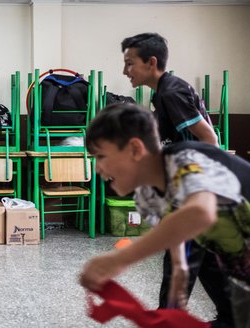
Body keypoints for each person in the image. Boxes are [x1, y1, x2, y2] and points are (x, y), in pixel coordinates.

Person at [79, 103, 250, 328]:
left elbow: (201, 213)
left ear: (135, 149)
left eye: (101, 156)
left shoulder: (185, 160)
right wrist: (180, 267)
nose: (97, 168)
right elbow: (174, 225)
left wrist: (120, 259)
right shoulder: (146, 195)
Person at [121, 32, 233, 327]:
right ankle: (234, 315)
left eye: (130, 63)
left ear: (151, 62)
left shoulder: (171, 92)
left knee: (179, 263)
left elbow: (209, 138)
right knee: (205, 261)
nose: (125, 71)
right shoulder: (164, 91)